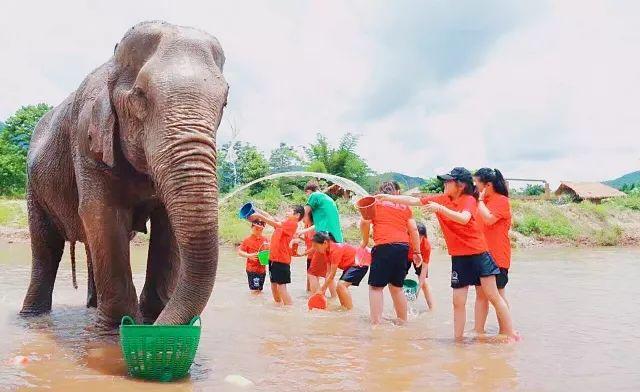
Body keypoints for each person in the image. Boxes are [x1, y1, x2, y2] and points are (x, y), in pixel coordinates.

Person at [376, 168, 518, 341]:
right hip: (458, 257)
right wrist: (388, 197)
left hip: (479, 254)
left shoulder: (469, 200)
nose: (444, 184)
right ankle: (458, 340)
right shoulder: (443, 199)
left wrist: (440, 209)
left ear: (460, 185)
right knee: (458, 302)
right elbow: (414, 200)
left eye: (447, 181)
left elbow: (464, 218)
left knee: (493, 296)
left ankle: (510, 334)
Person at [360, 181, 422, 325]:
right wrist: (417, 251)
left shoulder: (375, 203)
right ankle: (403, 321)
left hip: (383, 247)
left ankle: (376, 323)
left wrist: (364, 241)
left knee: (376, 288)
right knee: (397, 288)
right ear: (397, 193)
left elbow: (364, 222)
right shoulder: (404, 206)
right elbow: (413, 230)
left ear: (380, 191)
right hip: (402, 248)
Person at [473, 168, 512, 334]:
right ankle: (478, 332)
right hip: (480, 255)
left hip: (497, 256)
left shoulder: (501, 200)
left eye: (477, 184)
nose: (475, 187)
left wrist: (480, 202)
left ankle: (506, 332)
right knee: (480, 296)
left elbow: (489, 219)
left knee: (497, 295)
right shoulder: (480, 202)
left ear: (488, 185)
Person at [249, 205, 305, 306]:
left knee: (281, 286)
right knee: (273, 285)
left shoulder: (292, 224)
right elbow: (271, 218)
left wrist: (260, 217)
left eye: (289, 211)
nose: (286, 212)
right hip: (273, 259)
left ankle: (289, 308)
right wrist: (257, 210)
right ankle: (278, 306)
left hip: (281, 260)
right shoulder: (283, 224)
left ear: (297, 215)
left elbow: (274, 222)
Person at [312, 232, 369, 310]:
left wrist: (322, 289)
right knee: (339, 288)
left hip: (359, 265)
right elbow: (328, 272)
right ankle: (344, 308)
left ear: (325, 243)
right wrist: (323, 290)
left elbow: (332, 274)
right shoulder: (327, 252)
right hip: (349, 267)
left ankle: (349, 310)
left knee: (341, 286)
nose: (315, 248)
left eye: (316, 246)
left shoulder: (336, 250)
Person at [406, 222, 434, 310]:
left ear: (424, 237)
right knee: (398, 284)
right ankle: (397, 310)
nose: (418, 240)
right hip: (405, 257)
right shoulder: (404, 241)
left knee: (424, 284)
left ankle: (432, 309)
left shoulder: (426, 246)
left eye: (421, 237)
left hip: (420, 258)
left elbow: (424, 268)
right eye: (416, 237)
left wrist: (418, 288)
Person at [237, 220, 270, 294]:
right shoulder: (247, 240)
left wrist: (268, 250)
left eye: (261, 229)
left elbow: (268, 251)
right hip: (252, 269)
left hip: (262, 269)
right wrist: (249, 256)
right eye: (256, 229)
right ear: (252, 228)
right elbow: (239, 252)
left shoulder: (265, 239)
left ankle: (258, 304)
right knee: (254, 291)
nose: (258, 231)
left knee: (260, 290)